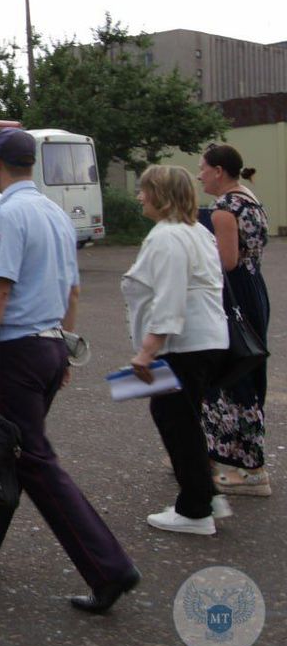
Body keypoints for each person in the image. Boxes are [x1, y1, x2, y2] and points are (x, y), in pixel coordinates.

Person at [0, 128, 139, 615]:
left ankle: (109, 567)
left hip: (15, 354)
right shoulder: (54, 213)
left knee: (34, 461)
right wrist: (66, 349)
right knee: (2, 452)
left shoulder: (6, 214)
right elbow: (72, 292)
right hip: (50, 347)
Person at [122, 165, 230, 535]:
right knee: (184, 419)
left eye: (145, 190)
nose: (140, 196)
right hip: (205, 341)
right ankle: (207, 496)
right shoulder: (197, 231)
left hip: (182, 345)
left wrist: (147, 351)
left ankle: (195, 510)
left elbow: (169, 299)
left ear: (161, 195)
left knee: (175, 420)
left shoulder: (166, 237)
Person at [197, 144, 271, 496]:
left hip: (233, 295)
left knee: (232, 373)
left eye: (203, 168)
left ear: (219, 171)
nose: (199, 175)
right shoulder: (250, 199)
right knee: (244, 368)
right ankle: (215, 453)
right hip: (254, 289)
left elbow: (225, 261)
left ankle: (250, 467)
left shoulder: (225, 209)